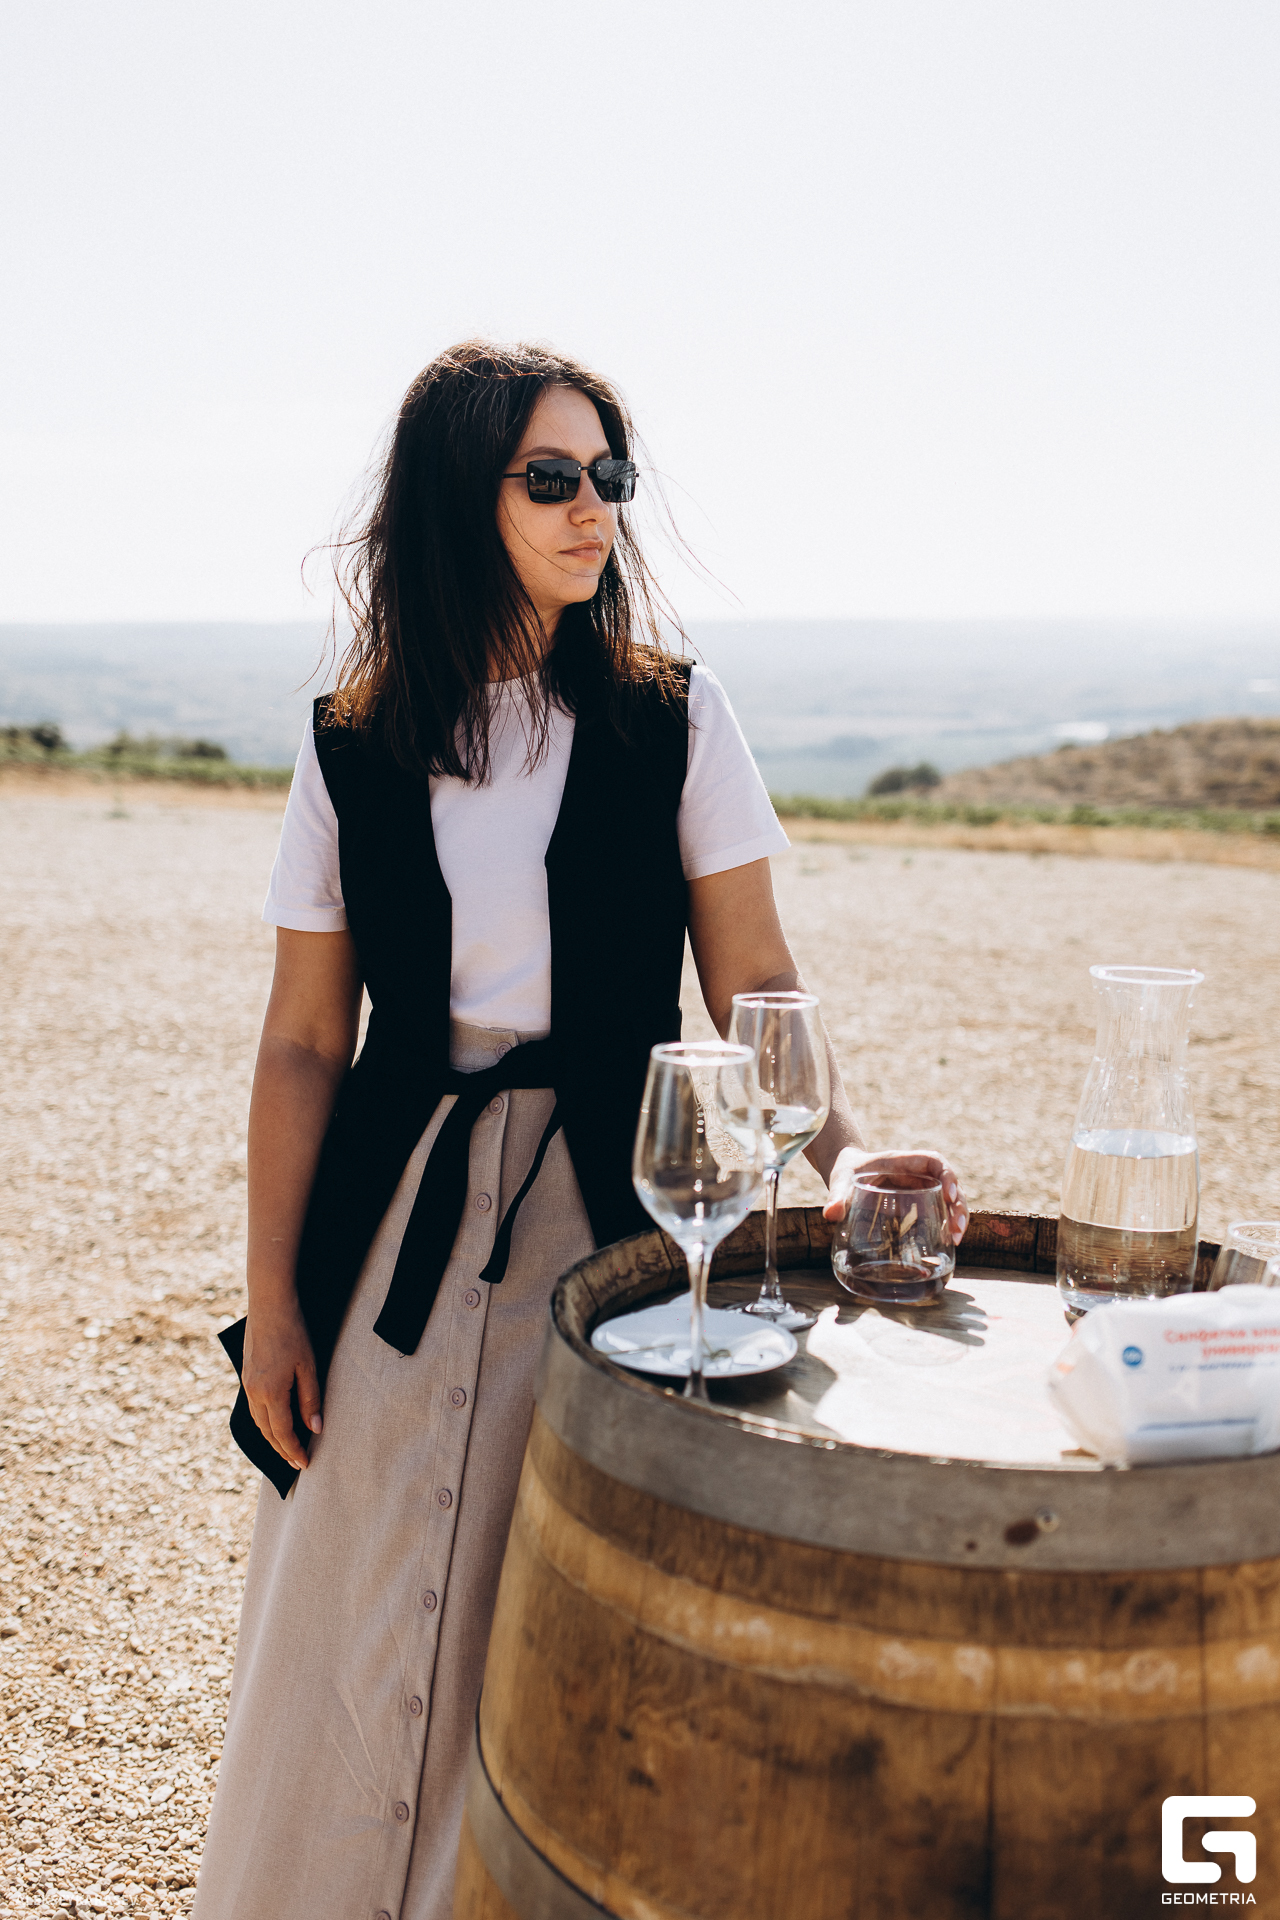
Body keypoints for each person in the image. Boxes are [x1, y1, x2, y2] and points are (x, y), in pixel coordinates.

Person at [196, 340, 967, 1920]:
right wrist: (274, 1304)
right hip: (394, 1219)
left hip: (616, 1211)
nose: (592, 509)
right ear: (454, 497)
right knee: (347, 1596)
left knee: (553, 1596)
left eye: (609, 476)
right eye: (551, 478)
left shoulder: (674, 717)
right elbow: (302, 1042)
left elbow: (757, 981)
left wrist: (846, 1158)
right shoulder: (349, 741)